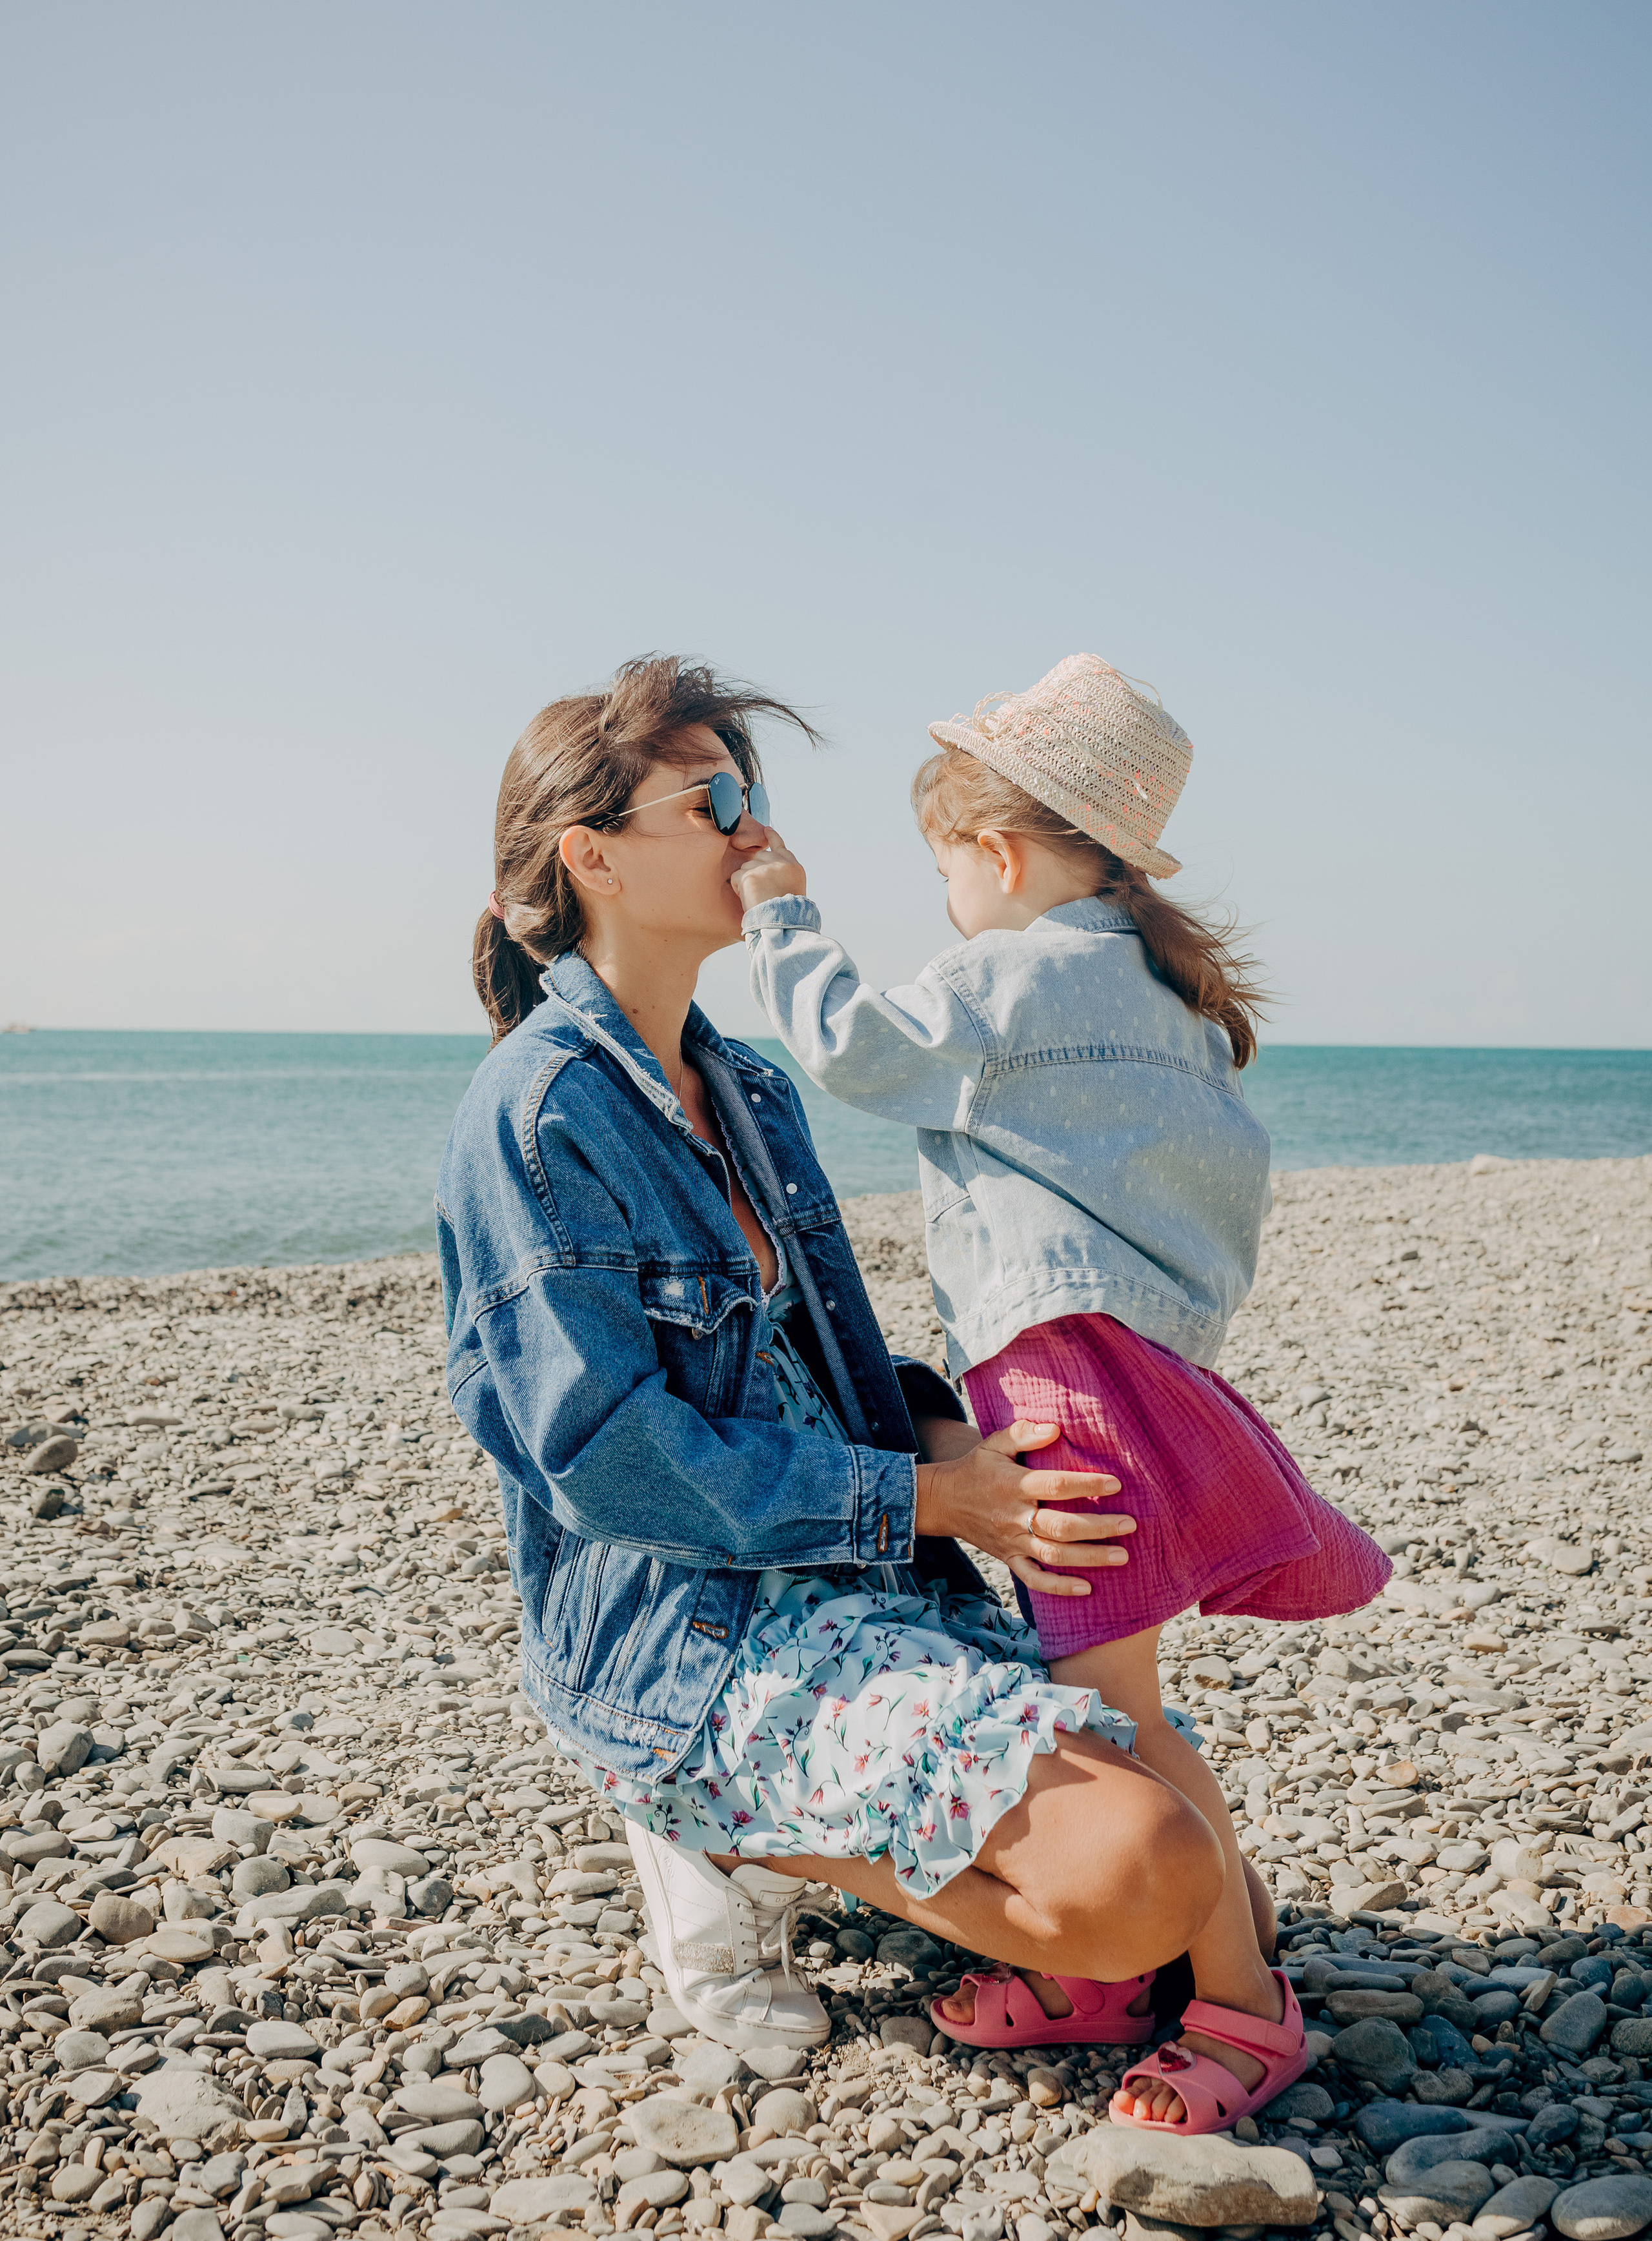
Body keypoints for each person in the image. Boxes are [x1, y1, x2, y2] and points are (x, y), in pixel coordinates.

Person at [437, 653, 1239, 2059]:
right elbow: (600, 1457)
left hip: (862, 1581)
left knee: (1168, 1845)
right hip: (688, 1632)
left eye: (751, 796)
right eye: (714, 800)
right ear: (595, 859)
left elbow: (831, 1359)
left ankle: (767, 1822)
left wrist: (955, 1452)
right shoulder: (535, 1114)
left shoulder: (745, 1087)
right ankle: (702, 1823)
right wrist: (926, 1502)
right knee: (1138, 1880)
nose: (757, 834)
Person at [736, 652, 1389, 2131]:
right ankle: (1115, 1974)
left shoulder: (1009, 972)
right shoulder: (1161, 992)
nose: (948, 914)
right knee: (1092, 1692)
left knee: (1116, 1719)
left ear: (998, 852)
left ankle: (1240, 2002)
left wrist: (782, 914)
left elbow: (850, 1049)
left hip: (1062, 1384)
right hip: (1141, 1371)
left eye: (945, 878)